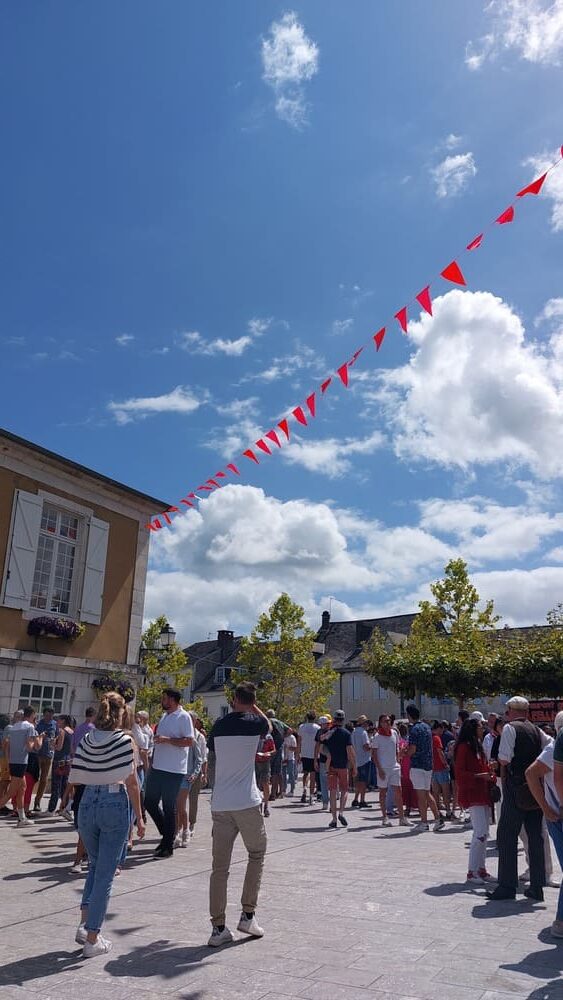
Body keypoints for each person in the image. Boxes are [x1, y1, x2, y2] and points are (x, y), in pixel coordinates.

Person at [69, 691, 144, 957]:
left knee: (95, 866)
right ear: (122, 712)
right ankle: (93, 937)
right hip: (113, 800)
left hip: (87, 801)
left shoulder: (88, 738)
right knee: (105, 874)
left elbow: (75, 777)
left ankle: (84, 924)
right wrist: (140, 818)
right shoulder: (126, 740)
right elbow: (132, 782)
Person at [207, 681, 270, 946]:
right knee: (256, 853)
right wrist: (252, 704)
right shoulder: (255, 723)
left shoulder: (218, 726)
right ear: (252, 700)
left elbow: (213, 754)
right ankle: (247, 914)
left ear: (233, 699)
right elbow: (267, 723)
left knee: (219, 868)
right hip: (246, 800)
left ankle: (217, 927)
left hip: (221, 802)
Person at [487, 695, 550, 902]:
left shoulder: (509, 728)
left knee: (507, 835)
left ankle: (507, 885)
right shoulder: (536, 730)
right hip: (535, 788)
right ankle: (537, 886)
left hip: (515, 788)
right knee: (536, 836)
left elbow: (504, 758)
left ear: (511, 711)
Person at [144, 688, 194, 859]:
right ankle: (168, 833)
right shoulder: (165, 716)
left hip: (174, 769)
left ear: (172, 700)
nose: (162, 701)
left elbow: (189, 741)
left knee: (168, 806)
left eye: (164, 698)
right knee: (149, 801)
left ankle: (167, 846)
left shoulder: (184, 716)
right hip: (158, 767)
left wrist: (167, 740)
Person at [454, 718, 496, 884]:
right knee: (479, 833)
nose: (482, 728)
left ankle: (481, 869)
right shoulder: (464, 747)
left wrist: (489, 769)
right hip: (473, 794)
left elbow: (481, 767)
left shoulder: (477, 746)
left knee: (485, 834)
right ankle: (472, 872)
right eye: (480, 726)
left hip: (483, 793)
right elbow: (460, 773)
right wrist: (480, 776)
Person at [0, 707, 46, 826]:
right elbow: (33, 748)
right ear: (32, 715)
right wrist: (40, 738)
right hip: (21, 762)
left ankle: (21, 818)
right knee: (11, 793)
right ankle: (21, 818)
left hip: (13, 761)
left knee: (22, 789)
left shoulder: (14, 727)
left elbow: (7, 745)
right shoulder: (30, 727)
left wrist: (9, 760)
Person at [406, 705, 442, 833]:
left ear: (409, 715)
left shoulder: (414, 729)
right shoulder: (427, 727)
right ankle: (438, 819)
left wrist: (404, 753)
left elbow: (412, 749)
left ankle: (424, 822)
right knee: (427, 793)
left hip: (418, 765)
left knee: (421, 795)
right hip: (428, 765)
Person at [371, 714, 411, 826]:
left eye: (389, 721)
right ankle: (384, 817)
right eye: (385, 721)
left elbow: (396, 749)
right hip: (383, 768)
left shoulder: (394, 733)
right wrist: (379, 769)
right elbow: (374, 755)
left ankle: (402, 818)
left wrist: (399, 758)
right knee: (383, 793)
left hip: (394, 767)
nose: (387, 723)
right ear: (380, 723)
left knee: (398, 791)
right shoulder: (377, 737)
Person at [321, 710, 357, 828]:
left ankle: (334, 818)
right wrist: (354, 766)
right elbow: (350, 751)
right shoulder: (346, 734)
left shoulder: (329, 733)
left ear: (334, 719)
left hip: (331, 765)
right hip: (343, 765)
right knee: (344, 790)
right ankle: (341, 812)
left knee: (332, 791)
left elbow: (321, 745)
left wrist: (328, 755)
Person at [175, 727, 203, 847]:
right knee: (174, 808)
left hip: (186, 777)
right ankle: (176, 833)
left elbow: (199, 759)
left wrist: (195, 773)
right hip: (173, 775)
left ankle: (186, 831)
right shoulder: (174, 740)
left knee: (181, 806)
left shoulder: (192, 741)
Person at [32, 707, 57, 812]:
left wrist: (54, 742)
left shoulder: (55, 724)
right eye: (47, 715)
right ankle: (29, 798)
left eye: (50, 716)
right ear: (43, 715)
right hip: (37, 754)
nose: (48, 718)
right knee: (34, 778)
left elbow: (58, 737)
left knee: (44, 779)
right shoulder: (38, 724)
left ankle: (37, 802)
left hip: (48, 755)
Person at [48, 715, 74, 814]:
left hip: (59, 760)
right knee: (64, 786)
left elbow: (59, 747)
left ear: (63, 721)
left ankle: (51, 809)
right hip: (67, 760)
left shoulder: (62, 731)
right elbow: (71, 748)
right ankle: (64, 808)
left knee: (56, 785)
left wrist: (52, 744)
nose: (57, 722)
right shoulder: (71, 731)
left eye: (58, 720)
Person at [188, 714, 208, 839]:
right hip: (182, 772)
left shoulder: (199, 736)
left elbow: (203, 757)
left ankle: (191, 824)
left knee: (193, 800)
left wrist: (204, 774)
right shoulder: (181, 734)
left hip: (195, 772)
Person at [297, 712, 320, 805]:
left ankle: (304, 789)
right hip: (314, 754)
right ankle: (311, 797)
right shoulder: (317, 728)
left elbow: (299, 741)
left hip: (305, 753)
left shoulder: (302, 727)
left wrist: (298, 753)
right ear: (315, 718)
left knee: (305, 773)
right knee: (313, 775)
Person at [431, 721, 452, 818]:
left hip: (432, 768)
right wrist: (445, 764)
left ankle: (437, 812)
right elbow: (440, 752)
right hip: (440, 767)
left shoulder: (429, 737)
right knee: (445, 791)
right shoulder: (436, 738)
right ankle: (448, 811)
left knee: (435, 792)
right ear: (439, 728)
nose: (442, 731)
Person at [351, 714, 372, 809]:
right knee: (363, 781)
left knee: (358, 781)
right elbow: (366, 746)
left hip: (356, 759)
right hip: (364, 759)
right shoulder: (363, 733)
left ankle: (355, 799)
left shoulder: (354, 732)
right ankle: (362, 800)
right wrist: (372, 746)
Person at [255, 730, 276, 817]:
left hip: (265, 762)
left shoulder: (268, 737)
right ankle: (258, 805)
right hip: (255, 762)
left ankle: (266, 806)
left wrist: (268, 753)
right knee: (256, 785)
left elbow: (274, 750)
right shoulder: (253, 735)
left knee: (265, 783)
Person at [314, 717, 330, 810]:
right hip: (326, 759)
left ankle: (326, 802)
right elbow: (317, 746)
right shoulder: (329, 731)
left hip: (325, 759)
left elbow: (317, 747)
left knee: (325, 781)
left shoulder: (321, 732)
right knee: (326, 781)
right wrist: (315, 759)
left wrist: (315, 759)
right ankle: (328, 801)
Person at [282, 728, 298, 796]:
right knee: (283, 775)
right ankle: (283, 790)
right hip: (283, 758)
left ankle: (292, 790)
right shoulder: (282, 737)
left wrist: (287, 747)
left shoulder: (292, 738)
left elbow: (295, 748)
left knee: (291, 774)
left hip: (290, 758)